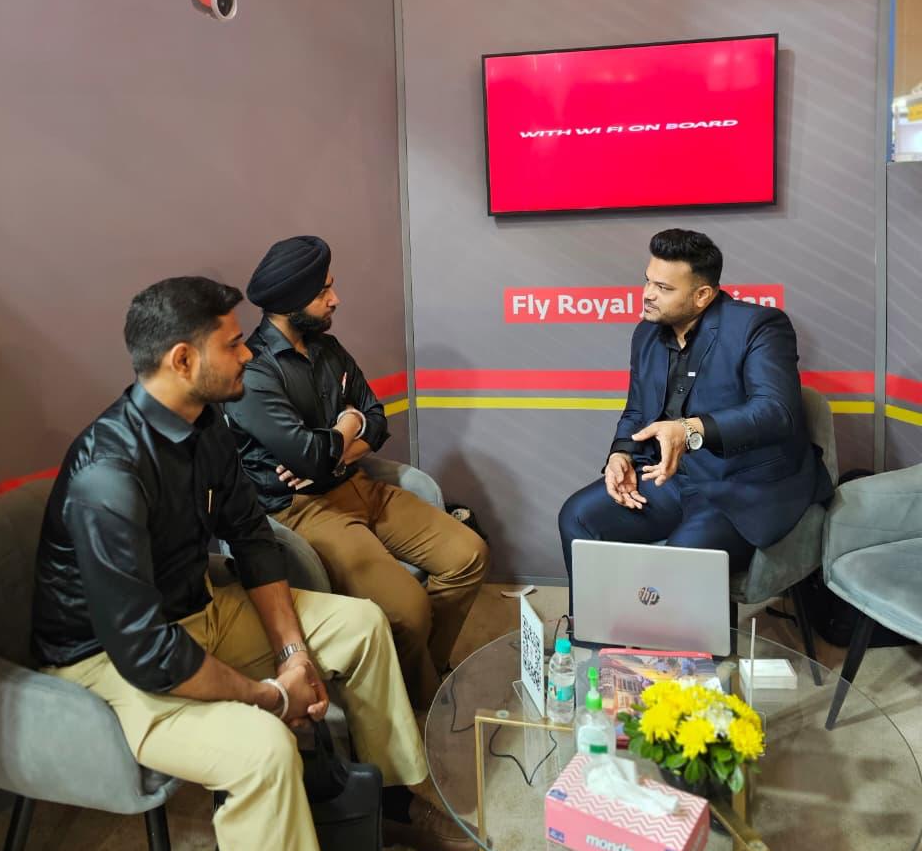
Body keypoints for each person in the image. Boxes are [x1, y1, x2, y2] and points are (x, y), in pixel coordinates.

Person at [31, 277, 477, 851]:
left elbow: (251, 537)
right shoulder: (109, 474)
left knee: (363, 624)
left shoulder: (205, 424)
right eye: (234, 343)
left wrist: (293, 655)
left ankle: (392, 803)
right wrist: (271, 697)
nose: (248, 354)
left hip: (197, 611)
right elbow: (146, 650)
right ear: (183, 360)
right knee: (264, 748)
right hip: (107, 663)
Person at [225, 236, 490, 710]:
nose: (335, 299)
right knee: (407, 609)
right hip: (304, 510)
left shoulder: (328, 349)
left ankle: (419, 675)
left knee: (468, 555)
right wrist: (348, 423)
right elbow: (315, 454)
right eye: (323, 292)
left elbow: (377, 420)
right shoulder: (255, 373)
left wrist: (340, 450)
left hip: (358, 483)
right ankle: (421, 702)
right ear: (290, 302)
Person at [558, 229, 832, 596]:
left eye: (663, 288)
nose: (648, 294)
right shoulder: (647, 334)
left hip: (740, 489)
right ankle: (595, 628)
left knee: (679, 565)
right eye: (648, 281)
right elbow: (637, 409)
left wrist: (689, 430)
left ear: (702, 295)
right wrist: (621, 454)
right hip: (669, 480)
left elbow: (776, 411)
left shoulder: (759, 326)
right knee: (578, 516)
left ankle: (669, 635)